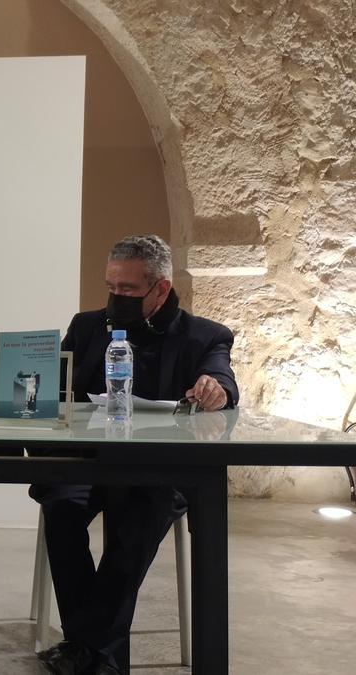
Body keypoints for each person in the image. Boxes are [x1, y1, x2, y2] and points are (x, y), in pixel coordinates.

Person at [33, 234, 238, 675]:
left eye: (127, 290)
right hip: (88, 463)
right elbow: (54, 384)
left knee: (136, 522)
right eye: (111, 287)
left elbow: (223, 383)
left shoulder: (204, 336)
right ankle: (98, 652)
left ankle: (83, 648)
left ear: (160, 289)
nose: (115, 298)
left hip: (155, 473)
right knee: (61, 506)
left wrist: (215, 390)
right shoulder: (87, 326)